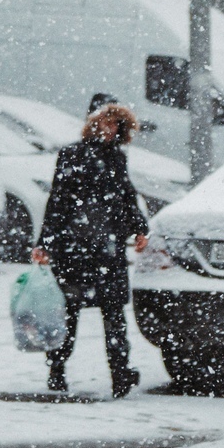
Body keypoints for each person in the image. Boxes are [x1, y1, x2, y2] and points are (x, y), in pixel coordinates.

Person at [31, 102, 149, 397]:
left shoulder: (115, 158)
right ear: (94, 123)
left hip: (104, 248)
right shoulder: (73, 154)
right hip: (78, 249)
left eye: (117, 126)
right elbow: (58, 201)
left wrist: (139, 228)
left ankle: (119, 374)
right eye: (107, 124)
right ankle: (58, 371)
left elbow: (125, 196)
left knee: (112, 316)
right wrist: (45, 243)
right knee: (70, 314)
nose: (111, 131)